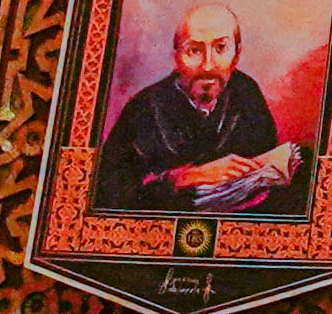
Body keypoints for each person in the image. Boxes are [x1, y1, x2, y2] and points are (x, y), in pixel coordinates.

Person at [90, 12, 305, 216]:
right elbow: (106, 195)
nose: (208, 65)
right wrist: (181, 178)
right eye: (194, 50)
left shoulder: (246, 92)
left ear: (237, 55)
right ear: (176, 56)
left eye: (221, 48)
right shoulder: (144, 109)